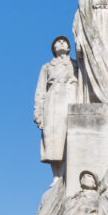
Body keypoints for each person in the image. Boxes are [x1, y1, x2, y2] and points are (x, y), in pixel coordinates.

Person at [33, 36, 79, 179]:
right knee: (53, 139)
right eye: (58, 42)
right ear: (53, 48)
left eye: (64, 41)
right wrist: (38, 114)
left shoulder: (76, 64)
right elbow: (40, 91)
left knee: (69, 137)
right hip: (52, 102)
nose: (61, 43)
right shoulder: (47, 67)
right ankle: (57, 176)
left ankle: (69, 173)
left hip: (71, 99)